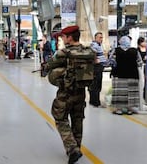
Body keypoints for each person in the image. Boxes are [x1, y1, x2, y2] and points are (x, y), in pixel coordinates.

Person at [46, 26, 91, 164]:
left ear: (70, 37)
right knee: (77, 119)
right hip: (81, 92)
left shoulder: (63, 53)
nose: (62, 39)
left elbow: (49, 65)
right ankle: (77, 146)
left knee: (60, 118)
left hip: (65, 93)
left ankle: (72, 149)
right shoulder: (89, 51)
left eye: (63, 37)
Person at [109, 36, 141, 115]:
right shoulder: (135, 51)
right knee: (131, 93)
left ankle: (119, 109)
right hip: (132, 75)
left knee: (120, 93)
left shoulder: (116, 50)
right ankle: (130, 109)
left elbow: (111, 61)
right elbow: (140, 62)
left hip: (119, 75)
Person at [88, 32, 107, 108]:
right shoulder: (94, 45)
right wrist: (96, 60)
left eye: (102, 37)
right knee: (96, 85)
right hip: (96, 67)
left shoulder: (99, 45)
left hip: (99, 66)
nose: (101, 39)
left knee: (95, 84)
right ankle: (96, 102)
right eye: (100, 37)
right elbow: (93, 53)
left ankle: (93, 101)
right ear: (95, 38)